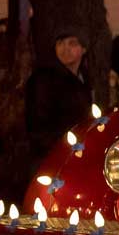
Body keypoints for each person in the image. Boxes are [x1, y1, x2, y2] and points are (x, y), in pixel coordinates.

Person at [25, 28, 91, 171]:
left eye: (72, 43)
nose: (65, 49)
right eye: (60, 43)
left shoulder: (85, 79)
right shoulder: (44, 80)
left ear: (84, 48)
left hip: (76, 156)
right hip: (50, 160)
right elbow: (38, 126)